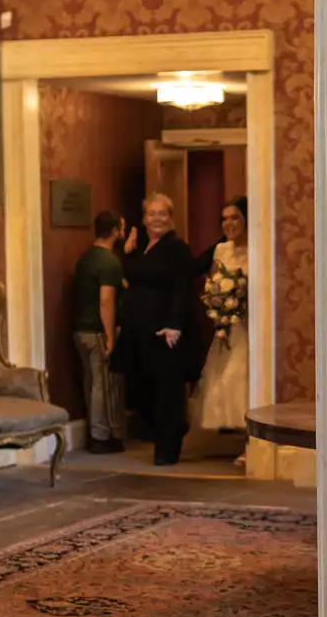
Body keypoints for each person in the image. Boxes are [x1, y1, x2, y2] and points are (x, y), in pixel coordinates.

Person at [116, 193, 195, 466]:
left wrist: (174, 325)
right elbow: (131, 275)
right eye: (152, 213)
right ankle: (165, 432)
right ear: (144, 218)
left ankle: (168, 447)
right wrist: (126, 250)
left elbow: (181, 289)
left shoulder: (177, 248)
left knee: (167, 391)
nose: (158, 218)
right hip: (139, 330)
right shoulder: (139, 247)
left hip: (164, 330)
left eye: (163, 213)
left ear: (170, 217)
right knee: (142, 387)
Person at [191, 196, 250, 437]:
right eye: (224, 219)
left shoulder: (258, 248)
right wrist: (216, 302)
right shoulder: (220, 249)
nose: (229, 223)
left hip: (249, 324)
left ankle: (252, 440)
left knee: (240, 376)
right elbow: (214, 281)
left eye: (235, 217)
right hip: (227, 324)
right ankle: (240, 434)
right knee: (225, 378)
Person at [72, 211, 128, 453]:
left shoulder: (85, 259)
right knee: (103, 384)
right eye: (122, 228)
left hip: (79, 329)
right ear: (116, 230)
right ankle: (101, 436)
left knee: (90, 380)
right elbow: (106, 300)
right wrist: (110, 337)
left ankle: (96, 432)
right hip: (97, 329)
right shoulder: (109, 261)